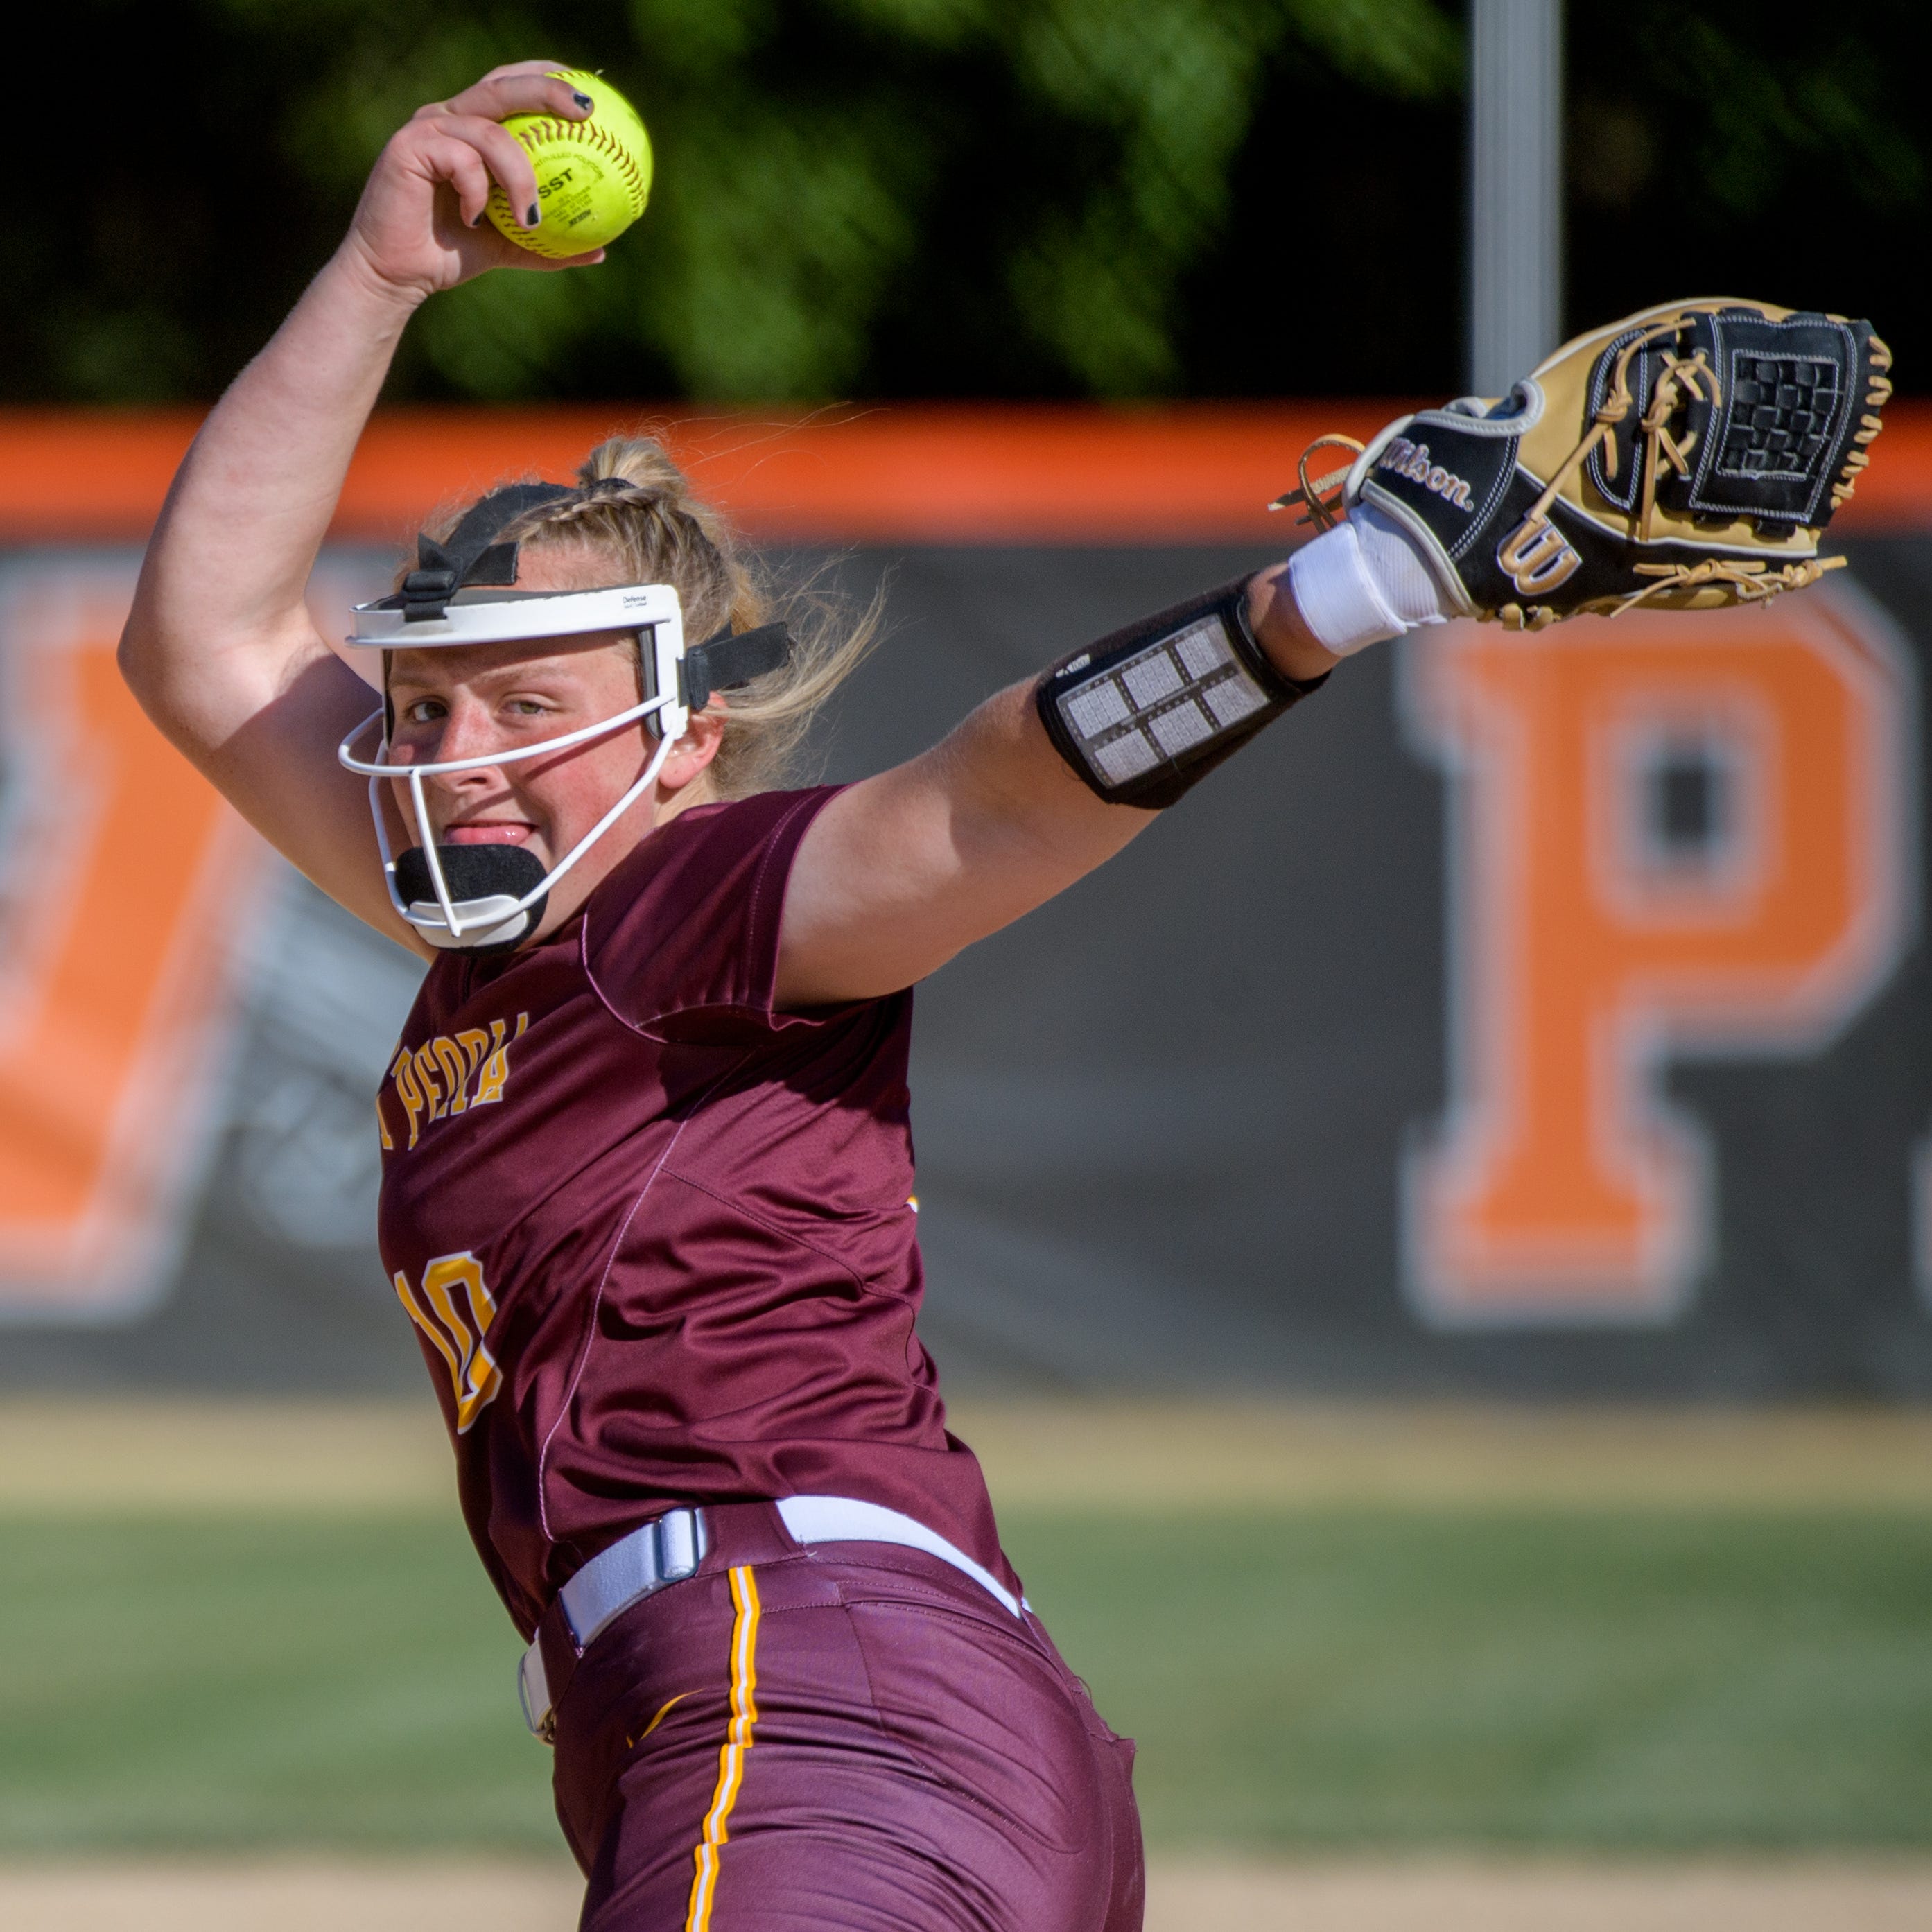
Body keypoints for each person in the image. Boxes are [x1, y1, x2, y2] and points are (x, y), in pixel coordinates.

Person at [123, 56, 1872, 1932]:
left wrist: (1342, 590)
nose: (455, 751)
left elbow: (995, 792)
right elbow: (206, 635)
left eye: (526, 708)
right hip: (836, 1715)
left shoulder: (680, 910)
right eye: (427, 706)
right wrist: (382, 273)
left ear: (685, 736)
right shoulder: (512, 967)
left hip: (809, 1704)